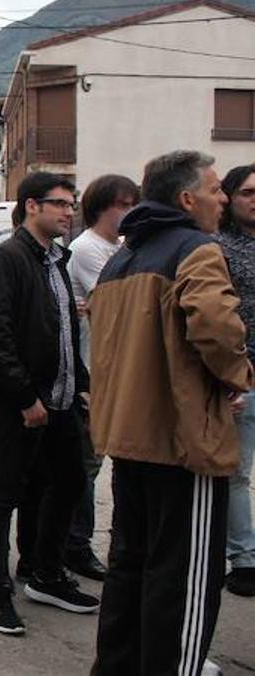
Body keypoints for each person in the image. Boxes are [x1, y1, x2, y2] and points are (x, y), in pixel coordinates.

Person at [91, 151, 251, 671]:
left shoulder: (122, 257)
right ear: (186, 199)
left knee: (131, 567)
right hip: (183, 441)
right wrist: (237, 375)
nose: (222, 198)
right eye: (214, 189)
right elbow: (215, 325)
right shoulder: (198, 250)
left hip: (129, 438)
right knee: (184, 579)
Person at [0, 171, 96, 637]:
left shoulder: (55, 260)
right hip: (20, 402)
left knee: (67, 482)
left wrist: (81, 384)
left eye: (72, 204)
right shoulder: (8, 259)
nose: (69, 211)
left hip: (61, 399)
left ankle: (45, 573)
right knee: (3, 492)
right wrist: (24, 396)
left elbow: (63, 330)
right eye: (60, 203)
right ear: (31, 206)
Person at [63, 174, 138, 583]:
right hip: (93, 369)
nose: (127, 212)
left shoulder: (120, 248)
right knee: (88, 466)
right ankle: (77, 544)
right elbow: (118, 302)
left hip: (111, 367)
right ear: (99, 207)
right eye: (121, 205)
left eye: (131, 204)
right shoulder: (89, 248)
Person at [220, 163, 255, 598]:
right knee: (237, 472)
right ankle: (244, 557)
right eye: (248, 192)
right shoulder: (217, 247)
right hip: (241, 376)